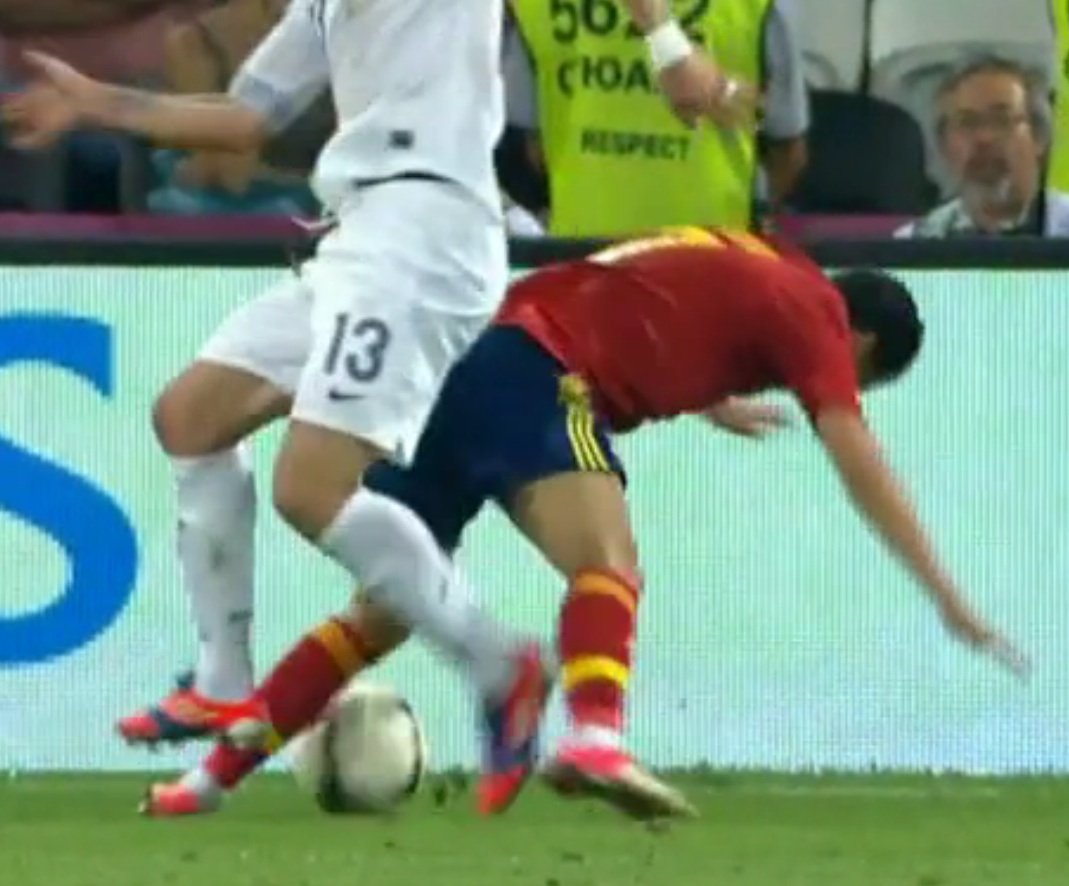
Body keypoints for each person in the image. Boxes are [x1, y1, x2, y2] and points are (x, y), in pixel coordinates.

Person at [1, 0, 755, 808]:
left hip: (427, 238)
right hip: (358, 237)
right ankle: (223, 681)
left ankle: (499, 663)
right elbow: (246, 118)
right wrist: (97, 101)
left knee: (309, 488)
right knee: (189, 416)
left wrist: (668, 47)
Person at [160, 226, 1028, 822]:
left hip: (464, 362)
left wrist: (710, 396)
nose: (824, 387)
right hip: (536, 368)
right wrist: (948, 599)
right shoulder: (818, 318)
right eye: (856, 377)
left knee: (384, 608)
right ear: (862, 343)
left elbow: (643, 290)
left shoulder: (756, 256)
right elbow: (857, 459)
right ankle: (595, 736)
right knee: (606, 563)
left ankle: (209, 777)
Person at [897, 56, 1069, 239]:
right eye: (968, 122)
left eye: (1001, 120)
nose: (984, 138)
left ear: (1039, 137)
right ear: (944, 147)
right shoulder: (914, 244)